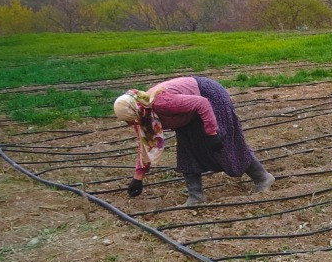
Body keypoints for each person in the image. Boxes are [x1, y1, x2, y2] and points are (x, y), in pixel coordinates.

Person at [113, 76, 274, 205]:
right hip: (188, 114)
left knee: (223, 145)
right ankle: (196, 196)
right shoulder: (142, 116)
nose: (130, 124)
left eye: (130, 120)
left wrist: (212, 133)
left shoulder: (161, 103)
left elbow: (202, 103)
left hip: (208, 96)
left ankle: (262, 178)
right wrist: (138, 177)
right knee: (186, 150)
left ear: (136, 110)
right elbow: (145, 145)